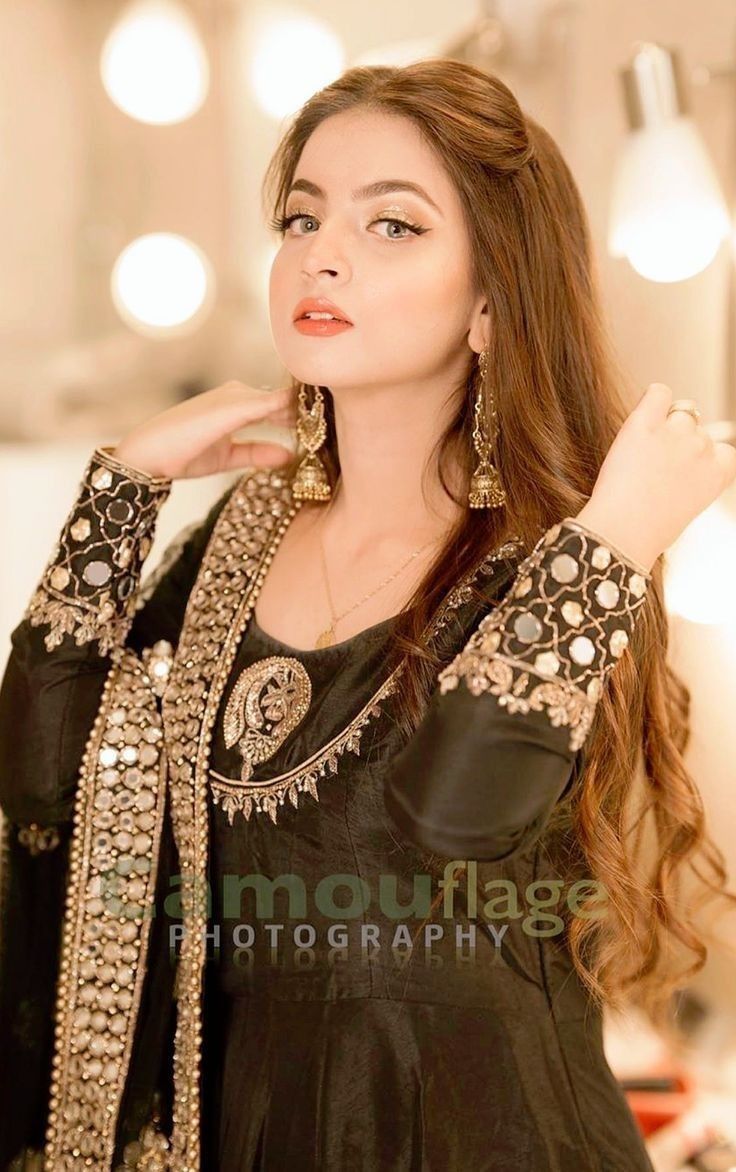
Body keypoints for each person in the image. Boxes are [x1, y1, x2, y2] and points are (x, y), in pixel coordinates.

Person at [1, 57, 735, 1172]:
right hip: (243, 1127)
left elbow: (454, 814)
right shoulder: (239, 538)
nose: (320, 252)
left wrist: (617, 538)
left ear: (490, 301)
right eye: (302, 216)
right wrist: (123, 484)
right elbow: (42, 774)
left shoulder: (558, 563)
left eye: (393, 224)